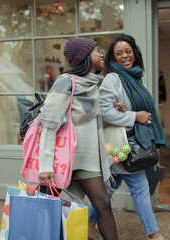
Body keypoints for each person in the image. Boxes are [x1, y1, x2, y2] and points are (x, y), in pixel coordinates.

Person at [88, 34, 168, 240]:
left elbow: (119, 107)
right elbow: (105, 111)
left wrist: (125, 110)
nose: (125, 56)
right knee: (140, 189)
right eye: (119, 53)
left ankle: (88, 223)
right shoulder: (114, 78)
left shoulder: (136, 77)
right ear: (113, 58)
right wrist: (135, 116)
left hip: (127, 144)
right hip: (123, 145)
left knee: (108, 188)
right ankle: (155, 235)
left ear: (134, 52)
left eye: (128, 51)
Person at [38, 37, 118, 240]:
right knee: (49, 211)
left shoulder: (93, 84)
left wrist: (117, 110)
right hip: (61, 159)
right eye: (96, 50)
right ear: (84, 57)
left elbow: (92, 123)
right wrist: (45, 165)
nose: (101, 54)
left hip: (87, 158)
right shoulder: (65, 82)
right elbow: (48, 125)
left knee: (103, 204)